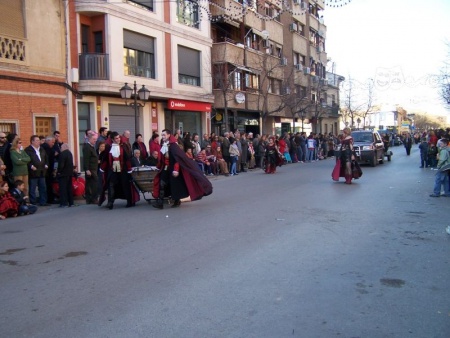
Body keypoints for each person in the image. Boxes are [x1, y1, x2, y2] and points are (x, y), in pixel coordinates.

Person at [152, 129, 213, 209]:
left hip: (172, 169)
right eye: (162, 135)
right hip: (165, 168)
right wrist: (158, 166)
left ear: (169, 135)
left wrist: (176, 169)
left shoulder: (173, 146)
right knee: (162, 184)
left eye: (164, 135)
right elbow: (163, 158)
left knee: (175, 185)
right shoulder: (164, 144)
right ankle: (160, 202)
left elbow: (178, 159)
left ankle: (176, 201)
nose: (163, 136)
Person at [100, 131, 137, 209]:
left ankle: (129, 201)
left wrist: (129, 169)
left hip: (123, 169)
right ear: (113, 139)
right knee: (111, 185)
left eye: (119, 138)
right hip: (112, 169)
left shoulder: (123, 146)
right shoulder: (108, 147)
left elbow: (127, 159)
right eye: (116, 138)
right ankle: (110, 202)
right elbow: (105, 158)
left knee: (125, 184)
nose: (118, 139)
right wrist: (102, 168)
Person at [25, 135, 49, 206]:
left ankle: (43, 201)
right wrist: (31, 166)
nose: (39, 142)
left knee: (43, 187)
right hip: (33, 172)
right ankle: (33, 202)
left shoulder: (42, 149)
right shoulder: (28, 150)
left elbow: (46, 158)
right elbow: (27, 160)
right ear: (32, 141)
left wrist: (46, 164)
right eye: (37, 140)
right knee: (32, 188)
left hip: (42, 171)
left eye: (39, 140)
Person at [57, 143, 76, 208]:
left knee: (63, 189)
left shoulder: (62, 154)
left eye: (61, 147)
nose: (60, 148)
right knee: (69, 188)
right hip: (69, 173)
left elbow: (61, 165)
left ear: (64, 147)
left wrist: (59, 171)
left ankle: (64, 203)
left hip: (63, 174)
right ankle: (71, 202)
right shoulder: (70, 153)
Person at [83, 132, 99, 205]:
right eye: (94, 139)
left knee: (90, 184)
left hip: (93, 168)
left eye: (96, 139)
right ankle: (93, 199)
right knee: (94, 184)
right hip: (91, 169)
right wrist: (87, 169)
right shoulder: (87, 147)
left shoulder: (92, 146)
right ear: (89, 139)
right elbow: (86, 159)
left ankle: (90, 199)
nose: (95, 140)